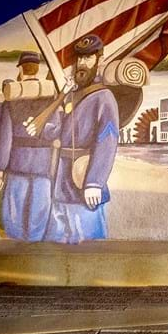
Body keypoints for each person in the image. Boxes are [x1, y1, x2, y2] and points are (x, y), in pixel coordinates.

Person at [48, 34, 127, 243]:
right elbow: (54, 131)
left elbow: (107, 141)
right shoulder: (71, 94)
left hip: (84, 182)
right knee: (59, 249)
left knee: (89, 248)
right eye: (79, 59)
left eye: (88, 58)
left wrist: (94, 182)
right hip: (61, 184)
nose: (81, 64)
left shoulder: (104, 97)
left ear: (99, 61)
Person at [0, 52, 57, 241]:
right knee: (40, 213)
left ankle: (16, 250)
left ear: (20, 69)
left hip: (17, 164)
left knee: (14, 213)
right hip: (43, 165)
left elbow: (4, 135)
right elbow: (55, 131)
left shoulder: (13, 97)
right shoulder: (51, 95)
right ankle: (35, 250)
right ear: (37, 69)